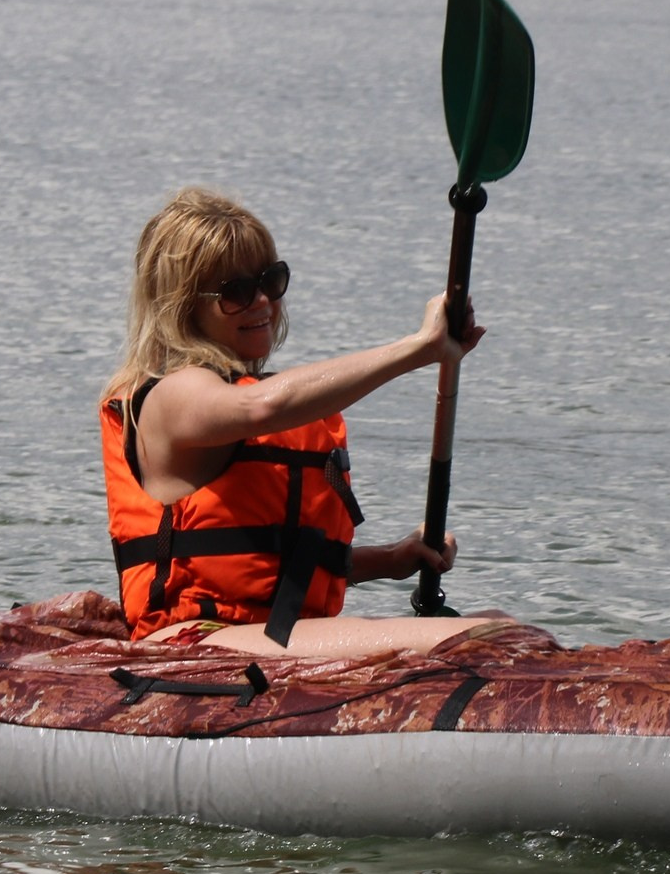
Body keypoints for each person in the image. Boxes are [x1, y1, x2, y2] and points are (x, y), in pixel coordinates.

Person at [101, 187, 491, 657]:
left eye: (271, 280)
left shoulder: (231, 394)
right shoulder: (170, 396)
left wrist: (390, 560)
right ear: (183, 306)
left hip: (260, 637)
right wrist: (420, 348)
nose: (262, 301)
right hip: (193, 642)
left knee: (499, 631)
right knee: (476, 641)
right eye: (237, 292)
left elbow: (265, 562)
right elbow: (259, 409)